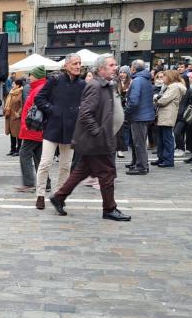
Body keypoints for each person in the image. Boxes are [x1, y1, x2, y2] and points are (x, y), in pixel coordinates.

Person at [49, 55, 131, 222]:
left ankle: (59, 197)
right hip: (97, 140)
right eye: (111, 65)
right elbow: (85, 113)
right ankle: (109, 208)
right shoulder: (95, 86)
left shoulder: (107, 85)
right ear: (101, 69)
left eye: (115, 64)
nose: (115, 67)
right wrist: (98, 132)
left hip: (100, 139)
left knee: (81, 171)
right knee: (107, 173)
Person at [34, 53, 86, 210]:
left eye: (79, 63)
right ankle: (40, 194)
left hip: (71, 131)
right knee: (45, 163)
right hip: (53, 128)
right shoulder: (55, 81)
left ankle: (58, 196)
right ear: (66, 66)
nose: (78, 66)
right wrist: (52, 109)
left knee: (65, 166)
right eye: (74, 64)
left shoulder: (83, 85)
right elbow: (39, 98)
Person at [14, 67, 48, 193]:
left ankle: (29, 183)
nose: (29, 77)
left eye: (31, 75)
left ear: (37, 76)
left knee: (24, 154)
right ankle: (46, 183)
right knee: (39, 157)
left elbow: (34, 111)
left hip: (32, 129)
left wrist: (26, 126)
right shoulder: (39, 87)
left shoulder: (38, 89)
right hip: (36, 129)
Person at [125, 60, 155, 175]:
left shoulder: (137, 80)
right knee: (139, 142)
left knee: (139, 143)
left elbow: (134, 101)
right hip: (144, 115)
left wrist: (127, 112)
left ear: (133, 68)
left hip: (138, 116)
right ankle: (140, 164)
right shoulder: (145, 79)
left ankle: (141, 166)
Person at [153, 70, 186, 168]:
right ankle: (162, 158)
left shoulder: (174, 87)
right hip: (164, 114)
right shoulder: (169, 87)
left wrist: (156, 98)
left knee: (167, 138)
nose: (162, 78)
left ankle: (168, 160)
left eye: (164, 76)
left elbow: (163, 100)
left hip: (168, 115)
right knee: (161, 138)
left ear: (170, 77)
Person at [4, 79, 23, 156]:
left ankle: (19, 150)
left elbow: (22, 105)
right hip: (9, 116)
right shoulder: (11, 93)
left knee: (18, 134)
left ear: (18, 85)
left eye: (13, 84)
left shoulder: (21, 93)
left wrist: (18, 113)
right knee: (11, 133)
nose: (12, 85)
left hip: (16, 117)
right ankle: (12, 149)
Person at [116, 66, 131, 158]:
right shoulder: (116, 82)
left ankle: (124, 146)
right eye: (120, 72)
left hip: (128, 108)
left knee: (126, 129)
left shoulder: (131, 83)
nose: (122, 74)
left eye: (124, 72)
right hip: (118, 108)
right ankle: (119, 149)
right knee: (119, 130)